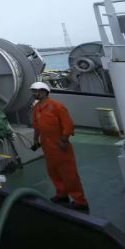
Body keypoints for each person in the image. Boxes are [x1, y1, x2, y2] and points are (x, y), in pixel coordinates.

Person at [30, 81, 89, 211]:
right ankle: (62, 195)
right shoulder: (36, 108)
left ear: (44, 92)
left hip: (59, 144)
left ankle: (80, 201)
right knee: (53, 171)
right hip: (46, 144)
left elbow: (68, 125)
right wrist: (35, 139)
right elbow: (36, 125)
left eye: (36, 91)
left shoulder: (57, 106)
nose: (34, 94)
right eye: (33, 91)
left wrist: (63, 140)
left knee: (69, 173)